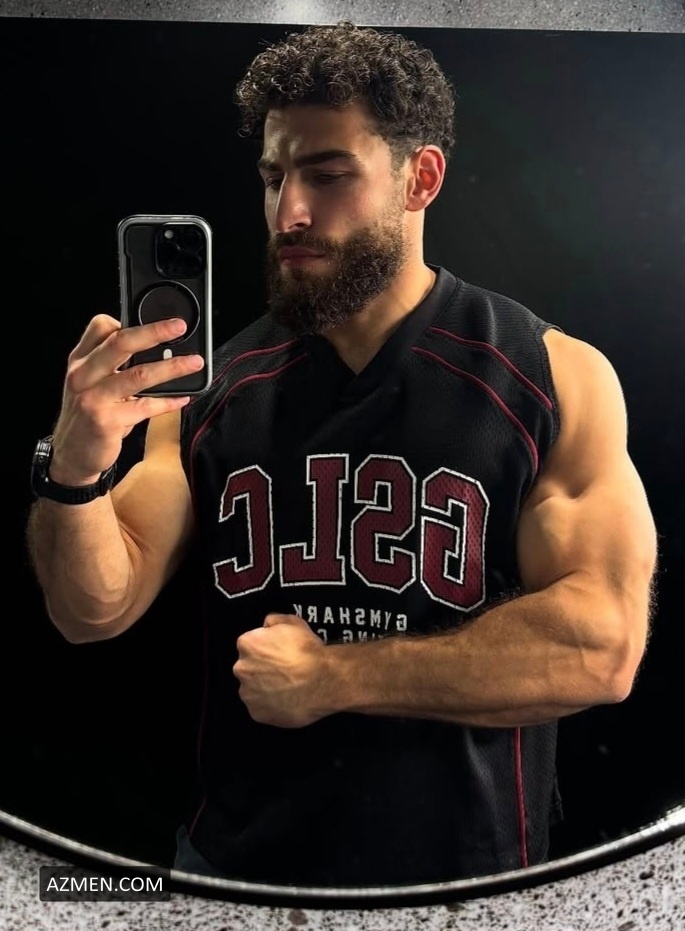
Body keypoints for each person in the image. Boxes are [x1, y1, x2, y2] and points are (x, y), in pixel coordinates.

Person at [26, 22, 657, 887]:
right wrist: (76, 467)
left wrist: (333, 676)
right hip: (234, 873)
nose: (289, 211)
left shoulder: (547, 375)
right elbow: (91, 608)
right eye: (273, 177)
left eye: (327, 175)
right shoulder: (207, 392)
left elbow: (601, 646)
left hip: (465, 884)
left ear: (419, 178)